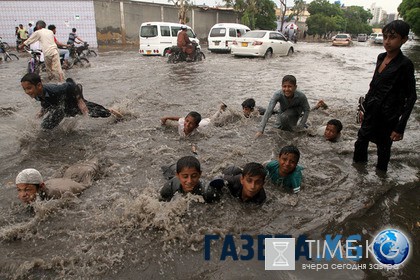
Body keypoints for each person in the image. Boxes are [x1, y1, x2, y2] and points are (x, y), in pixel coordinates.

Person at [353, 20, 417, 172]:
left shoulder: (405, 64)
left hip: (388, 117)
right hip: (371, 111)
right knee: (360, 143)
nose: (387, 41)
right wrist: (363, 108)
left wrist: (400, 127)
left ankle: (381, 180)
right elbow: (374, 85)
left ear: (404, 40)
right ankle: (358, 175)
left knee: (383, 150)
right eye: (385, 36)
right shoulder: (381, 57)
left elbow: (412, 97)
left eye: (392, 37)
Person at [20, 73, 121, 130]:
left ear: (39, 86)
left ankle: (113, 112)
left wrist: (80, 101)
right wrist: (42, 113)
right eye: (25, 89)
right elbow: (46, 102)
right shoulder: (37, 94)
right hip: (61, 107)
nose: (27, 92)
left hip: (73, 99)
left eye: (29, 88)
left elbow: (71, 84)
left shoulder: (54, 89)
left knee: (94, 112)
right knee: (45, 127)